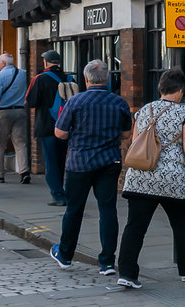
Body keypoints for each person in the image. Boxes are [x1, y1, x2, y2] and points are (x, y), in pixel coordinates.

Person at [115, 68, 185, 289]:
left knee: (134, 226)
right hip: (171, 180)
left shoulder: (144, 110)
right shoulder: (184, 114)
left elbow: (136, 142)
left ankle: (126, 273)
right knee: (182, 225)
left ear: (161, 88)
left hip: (140, 178)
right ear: (181, 90)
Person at [50, 59, 132, 274]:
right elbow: (126, 134)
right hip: (109, 161)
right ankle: (106, 262)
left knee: (74, 210)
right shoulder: (119, 102)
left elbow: (60, 133)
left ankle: (65, 255)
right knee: (107, 210)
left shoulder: (76, 102)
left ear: (86, 79)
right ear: (106, 78)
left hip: (79, 163)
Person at [28, 51, 73, 206]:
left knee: (51, 162)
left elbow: (30, 102)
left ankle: (58, 195)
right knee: (62, 160)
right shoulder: (69, 78)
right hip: (66, 126)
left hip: (47, 125)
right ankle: (64, 191)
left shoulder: (40, 79)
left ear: (46, 62)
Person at [0, 54, 30, 185]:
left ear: (4, 63)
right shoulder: (23, 74)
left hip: (3, 112)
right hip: (20, 110)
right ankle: (24, 172)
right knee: (20, 142)